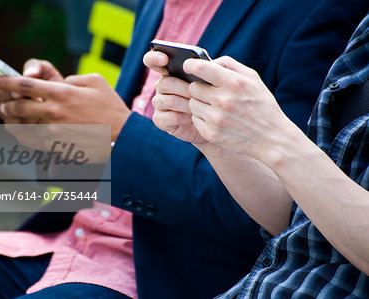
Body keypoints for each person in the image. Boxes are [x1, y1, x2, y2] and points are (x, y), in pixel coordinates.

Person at [0, 0, 367, 298]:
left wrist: (116, 128)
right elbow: (116, 161)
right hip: (61, 243)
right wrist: (56, 125)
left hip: (158, 276)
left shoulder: (318, 11)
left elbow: (288, 215)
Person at [149, 12, 369, 297]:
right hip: (86, 225)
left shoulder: (314, 10)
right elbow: (304, 217)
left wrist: (110, 136)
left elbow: (246, 220)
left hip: (145, 260)